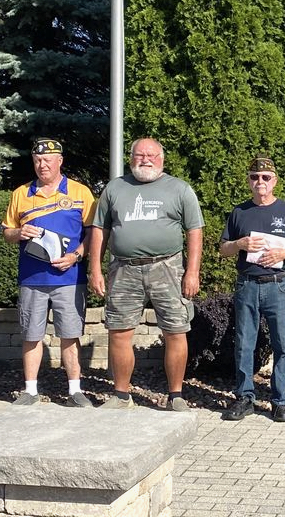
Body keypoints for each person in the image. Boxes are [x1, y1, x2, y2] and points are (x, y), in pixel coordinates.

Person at [88, 137, 203, 410]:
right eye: (139, 154)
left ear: (162, 158)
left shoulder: (180, 189)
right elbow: (99, 230)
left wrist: (192, 272)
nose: (145, 159)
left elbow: (194, 231)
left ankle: (175, 395)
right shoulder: (115, 188)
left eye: (151, 155)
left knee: (176, 330)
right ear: (131, 158)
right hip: (124, 268)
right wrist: (95, 269)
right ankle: (121, 395)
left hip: (168, 268)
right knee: (118, 331)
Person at [219, 156, 285, 422]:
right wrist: (239, 244)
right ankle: (244, 397)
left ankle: (280, 400)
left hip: (280, 286)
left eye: (265, 177)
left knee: (282, 344)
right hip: (248, 285)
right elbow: (223, 248)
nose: (259, 181)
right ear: (249, 181)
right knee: (244, 344)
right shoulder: (240, 212)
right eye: (254, 177)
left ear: (274, 181)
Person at [2, 138, 97, 407]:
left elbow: (93, 233)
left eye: (47, 160)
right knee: (31, 334)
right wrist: (19, 233)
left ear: (60, 161)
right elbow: (7, 232)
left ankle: (75, 391)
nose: (42, 165)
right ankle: (30, 390)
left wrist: (76, 256)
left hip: (69, 277)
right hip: (32, 277)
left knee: (70, 334)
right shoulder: (21, 193)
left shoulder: (80, 192)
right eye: (37, 161)